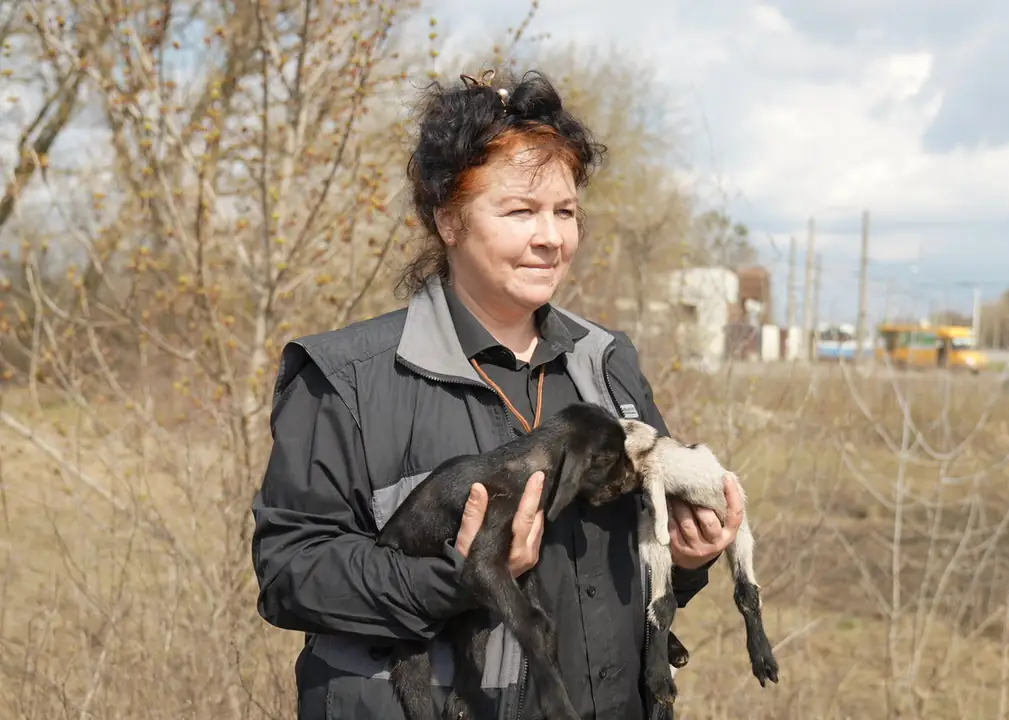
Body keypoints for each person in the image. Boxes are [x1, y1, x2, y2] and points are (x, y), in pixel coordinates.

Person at [250, 68, 745, 720]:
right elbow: (291, 574)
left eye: (565, 212)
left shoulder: (608, 366)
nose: (550, 237)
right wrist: (459, 573)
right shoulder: (348, 379)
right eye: (520, 211)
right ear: (449, 220)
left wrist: (686, 559)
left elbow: (624, 578)